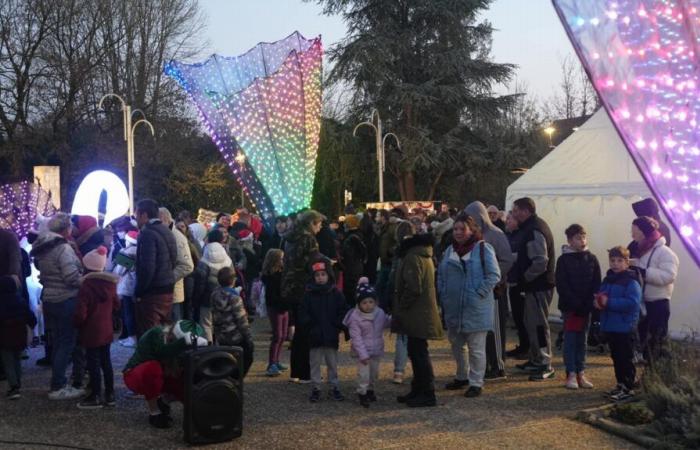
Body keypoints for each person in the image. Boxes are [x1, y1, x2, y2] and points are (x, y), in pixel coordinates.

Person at [438, 215, 501, 398]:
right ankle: (461, 376)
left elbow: (494, 275)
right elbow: (441, 274)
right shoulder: (449, 250)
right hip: (453, 307)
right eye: (455, 229)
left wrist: (478, 293)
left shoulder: (483, 249)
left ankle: (476, 382)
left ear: (472, 230)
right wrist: (443, 293)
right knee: (457, 345)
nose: (458, 232)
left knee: (476, 348)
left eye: (462, 229)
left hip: (475, 307)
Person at [31, 212, 86, 400]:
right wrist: (86, 280)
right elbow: (71, 277)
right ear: (66, 229)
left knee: (57, 343)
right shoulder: (63, 248)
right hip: (65, 299)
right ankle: (58, 385)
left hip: (49, 299)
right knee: (66, 343)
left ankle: (58, 380)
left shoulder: (43, 246)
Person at [393, 226, 444, 407]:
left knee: (419, 353)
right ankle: (419, 389)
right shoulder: (421, 255)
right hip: (420, 313)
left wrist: (401, 307)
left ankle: (426, 392)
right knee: (417, 352)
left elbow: (413, 288)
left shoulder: (413, 257)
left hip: (416, 313)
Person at [123, 320, 207, 428]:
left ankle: (164, 401)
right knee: (153, 368)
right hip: (134, 374)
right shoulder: (157, 333)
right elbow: (162, 352)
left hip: (161, 374)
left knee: (183, 379)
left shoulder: (176, 344)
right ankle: (154, 412)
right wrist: (183, 342)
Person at [464, 201, 514, 380]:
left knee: (495, 330)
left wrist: (490, 275)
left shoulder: (496, 234)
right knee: (483, 331)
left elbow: (507, 260)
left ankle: (499, 366)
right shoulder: (474, 236)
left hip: (495, 290)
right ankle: (487, 365)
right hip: (480, 290)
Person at [510, 197, 556, 381]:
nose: (513, 214)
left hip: (539, 285)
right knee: (531, 323)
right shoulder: (530, 228)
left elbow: (540, 261)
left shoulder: (534, 229)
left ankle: (546, 363)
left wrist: (524, 278)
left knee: (538, 324)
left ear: (524, 211)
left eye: (515, 210)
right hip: (534, 286)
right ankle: (536, 359)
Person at [555, 224, 601, 390]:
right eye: (577, 237)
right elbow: (562, 284)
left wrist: (590, 303)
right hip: (570, 307)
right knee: (571, 339)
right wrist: (575, 303)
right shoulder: (563, 260)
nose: (581, 240)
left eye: (583, 236)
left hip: (586, 307)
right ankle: (571, 373)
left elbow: (596, 282)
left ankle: (581, 371)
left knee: (583, 339)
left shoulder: (592, 258)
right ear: (569, 240)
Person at [73, 246, 120, 409]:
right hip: (106, 329)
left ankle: (95, 395)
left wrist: (77, 323)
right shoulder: (111, 285)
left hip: (91, 331)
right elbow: (116, 305)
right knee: (106, 362)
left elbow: (81, 312)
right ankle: (110, 394)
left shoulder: (86, 286)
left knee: (93, 363)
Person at [596, 246, 642, 402]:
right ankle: (620, 384)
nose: (615, 264)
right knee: (616, 357)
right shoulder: (608, 279)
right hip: (611, 326)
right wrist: (597, 302)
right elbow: (602, 296)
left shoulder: (631, 281)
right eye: (612, 260)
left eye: (619, 261)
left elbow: (632, 303)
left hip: (624, 327)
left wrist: (608, 303)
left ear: (627, 262)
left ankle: (628, 387)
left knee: (625, 359)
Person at [281, 210, 323, 383]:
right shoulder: (309, 239)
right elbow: (313, 263)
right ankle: (305, 372)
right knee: (306, 331)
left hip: (289, 286)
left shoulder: (289, 237)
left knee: (299, 330)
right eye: (319, 224)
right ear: (312, 223)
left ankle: (296, 371)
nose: (320, 228)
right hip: (304, 287)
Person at [630, 216, 679, 362]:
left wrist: (643, 273)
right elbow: (643, 264)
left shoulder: (665, 253)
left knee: (656, 340)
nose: (632, 234)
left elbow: (669, 276)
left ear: (644, 232)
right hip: (644, 302)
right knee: (645, 340)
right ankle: (648, 374)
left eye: (635, 230)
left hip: (658, 303)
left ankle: (656, 373)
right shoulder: (643, 250)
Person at [298, 259, 347, 402]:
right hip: (314, 335)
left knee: (332, 363)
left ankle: (334, 386)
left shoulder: (336, 293)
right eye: (317, 275)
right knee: (314, 364)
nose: (320, 278)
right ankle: (316, 387)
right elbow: (302, 312)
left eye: (323, 274)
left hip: (330, 334)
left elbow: (343, 310)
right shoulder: (308, 294)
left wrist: (337, 324)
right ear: (313, 277)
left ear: (329, 276)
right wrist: (309, 325)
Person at [343, 278, 391, 408]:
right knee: (363, 374)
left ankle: (371, 390)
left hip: (376, 350)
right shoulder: (355, 317)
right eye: (364, 302)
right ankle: (362, 392)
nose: (368, 305)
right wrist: (362, 354)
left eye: (371, 301)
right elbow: (356, 338)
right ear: (359, 304)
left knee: (374, 373)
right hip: (362, 353)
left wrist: (394, 320)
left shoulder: (379, 313)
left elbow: (386, 322)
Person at [134, 199, 178, 336]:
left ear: (144, 215)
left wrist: (139, 292)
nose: (135, 218)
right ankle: (166, 357)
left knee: (150, 335)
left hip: (153, 292)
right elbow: (174, 259)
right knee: (165, 331)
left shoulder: (147, 234)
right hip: (168, 288)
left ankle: (153, 358)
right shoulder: (167, 230)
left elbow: (147, 268)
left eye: (136, 214)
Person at [211, 267, 254, 375]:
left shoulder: (214, 295)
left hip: (221, 336)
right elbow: (242, 321)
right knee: (247, 358)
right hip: (235, 336)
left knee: (227, 362)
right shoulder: (234, 298)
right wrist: (249, 339)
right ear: (233, 280)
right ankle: (236, 381)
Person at [0, 275, 37, 400]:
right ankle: (18, 383)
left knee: (8, 361)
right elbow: (30, 317)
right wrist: (31, 326)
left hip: (4, 336)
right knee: (17, 359)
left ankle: (13, 386)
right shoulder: (20, 300)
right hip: (19, 334)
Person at [193, 229, 233, 343]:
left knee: (206, 324)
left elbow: (200, 281)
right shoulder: (227, 257)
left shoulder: (204, 258)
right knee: (221, 323)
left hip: (207, 296)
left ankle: (208, 348)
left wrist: (196, 299)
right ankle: (221, 346)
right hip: (224, 296)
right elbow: (232, 275)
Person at [159, 208, 194, 322]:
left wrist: (166, 279)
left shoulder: (176, 236)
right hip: (167, 292)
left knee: (173, 328)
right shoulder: (167, 234)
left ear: (164, 219)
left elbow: (187, 266)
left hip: (172, 293)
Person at [504, 211, 529, 359]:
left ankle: (527, 347)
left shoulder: (522, 236)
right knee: (517, 317)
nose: (507, 221)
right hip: (511, 281)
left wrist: (509, 257)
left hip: (522, 282)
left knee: (523, 316)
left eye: (510, 219)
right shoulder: (507, 236)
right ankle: (522, 345)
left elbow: (523, 256)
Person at [261, 249, 288, 377]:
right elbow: (272, 296)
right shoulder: (271, 277)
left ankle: (276, 361)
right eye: (281, 259)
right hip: (276, 307)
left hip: (283, 307)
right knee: (277, 335)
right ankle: (271, 363)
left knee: (283, 335)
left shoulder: (281, 274)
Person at [113, 230, 139, 348]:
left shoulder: (126, 252)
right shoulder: (141, 249)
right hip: (137, 285)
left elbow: (119, 271)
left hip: (127, 286)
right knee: (134, 312)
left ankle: (132, 338)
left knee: (128, 313)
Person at [340, 214, 367, 307]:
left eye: (345, 223)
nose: (344, 225)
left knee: (351, 290)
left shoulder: (352, 237)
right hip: (356, 266)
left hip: (352, 268)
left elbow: (349, 254)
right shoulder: (358, 234)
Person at [376, 209, 400, 312]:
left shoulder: (391, 228)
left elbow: (397, 242)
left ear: (383, 217)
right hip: (385, 261)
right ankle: (383, 308)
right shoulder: (383, 228)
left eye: (378, 215)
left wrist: (390, 252)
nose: (376, 217)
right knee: (380, 286)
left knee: (385, 287)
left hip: (390, 262)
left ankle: (385, 308)